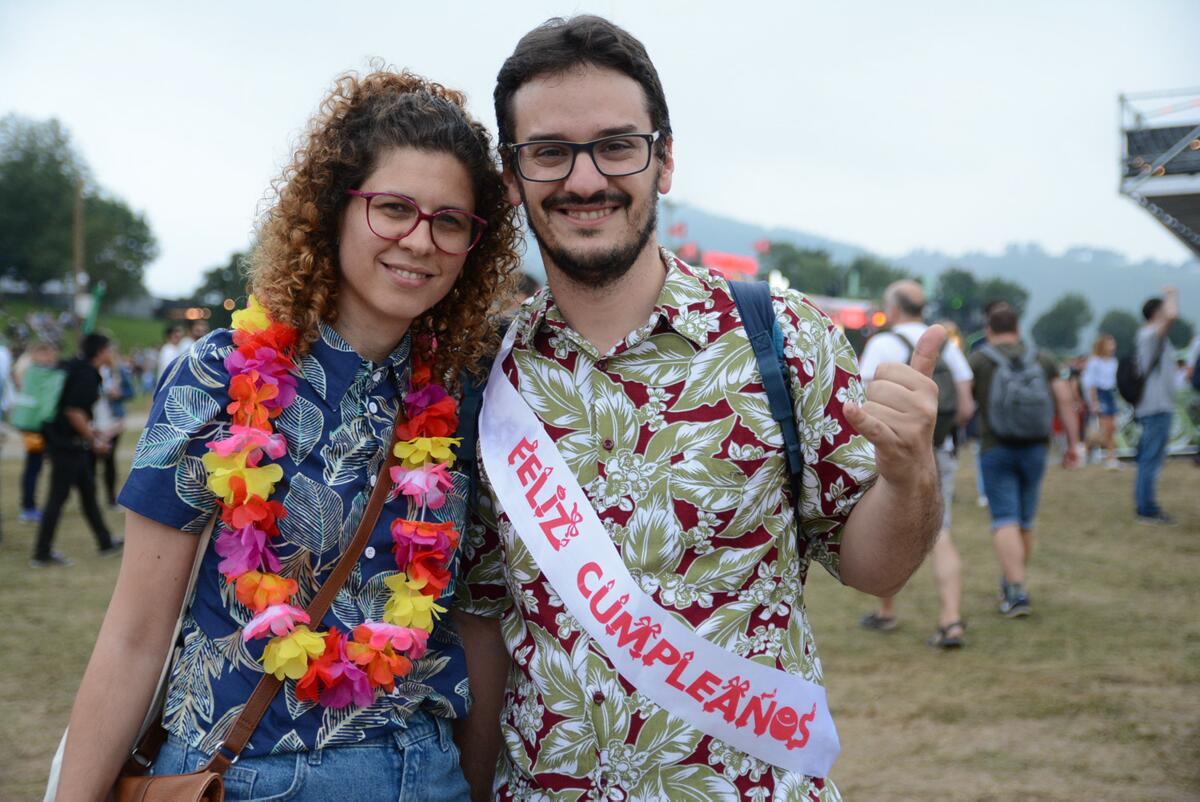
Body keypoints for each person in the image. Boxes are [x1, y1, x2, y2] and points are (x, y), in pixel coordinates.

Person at [454, 16, 945, 800]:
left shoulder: (782, 341)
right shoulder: (483, 377)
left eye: (617, 145)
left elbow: (874, 566)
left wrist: (911, 472)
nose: (585, 180)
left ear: (665, 159)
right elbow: (484, 626)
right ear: (512, 178)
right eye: (550, 152)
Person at [55, 69, 520, 800]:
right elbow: (135, 633)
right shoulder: (220, 375)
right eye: (393, 208)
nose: (419, 241)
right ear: (335, 209)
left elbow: (475, 617)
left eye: (450, 220)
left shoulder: (471, 395)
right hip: (248, 778)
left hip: (424, 773)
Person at [857, 281, 975, 648]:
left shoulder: (882, 344)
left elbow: (861, 402)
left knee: (887, 525)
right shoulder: (947, 347)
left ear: (893, 309)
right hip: (941, 449)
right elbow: (967, 406)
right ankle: (951, 619)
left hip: (890, 451)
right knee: (940, 530)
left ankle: (886, 612)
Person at [969, 306, 1079, 618]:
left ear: (989, 328)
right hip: (1035, 448)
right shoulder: (1043, 359)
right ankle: (1011, 582)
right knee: (1025, 521)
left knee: (1004, 518)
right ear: (1019, 327)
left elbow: (965, 404)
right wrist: (1072, 444)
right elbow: (1065, 401)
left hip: (995, 447)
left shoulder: (980, 359)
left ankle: (1016, 591)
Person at [31, 332, 122, 567]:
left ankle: (104, 541)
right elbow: (74, 412)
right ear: (101, 351)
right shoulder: (86, 375)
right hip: (66, 445)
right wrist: (94, 439)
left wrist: (92, 436)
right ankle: (41, 553)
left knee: (88, 494)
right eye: (109, 349)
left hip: (71, 444)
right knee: (57, 498)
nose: (111, 354)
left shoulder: (75, 367)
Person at [1133, 287, 1180, 524]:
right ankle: (1147, 509)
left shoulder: (1149, 335)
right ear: (1155, 313)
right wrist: (1172, 294)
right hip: (1156, 406)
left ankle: (1144, 506)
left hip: (1156, 405)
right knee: (1151, 459)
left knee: (1148, 458)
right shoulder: (1150, 335)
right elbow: (1172, 316)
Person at [1082, 334, 1120, 468]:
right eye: (1110, 344)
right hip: (1100, 394)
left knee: (1111, 428)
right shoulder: (1094, 362)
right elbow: (1090, 383)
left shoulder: (1114, 361)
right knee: (1105, 428)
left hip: (1110, 394)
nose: (1113, 347)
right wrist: (1094, 401)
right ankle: (1087, 448)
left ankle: (1110, 457)